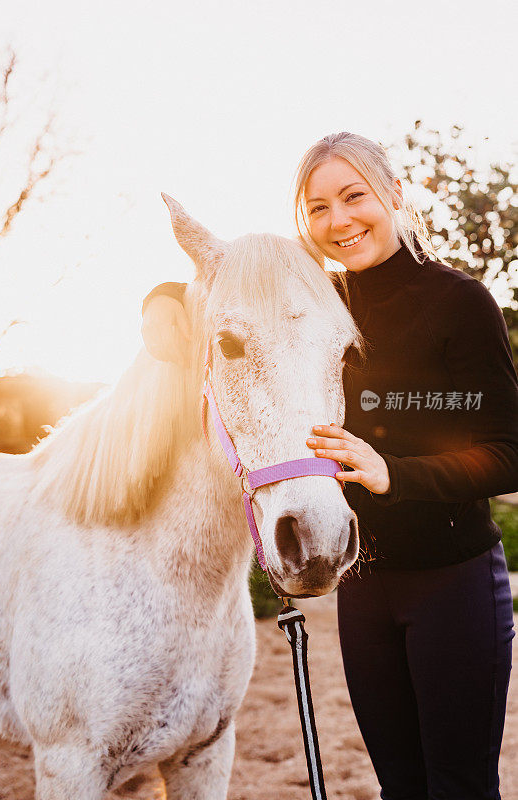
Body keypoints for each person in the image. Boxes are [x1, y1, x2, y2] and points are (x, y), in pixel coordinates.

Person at [141, 132, 518, 800]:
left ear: (393, 195)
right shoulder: (318, 299)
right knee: (397, 783)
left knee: (458, 785)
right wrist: (162, 302)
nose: (338, 221)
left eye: (353, 197)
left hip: (452, 585)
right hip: (364, 586)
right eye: (317, 209)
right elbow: (226, 290)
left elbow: (506, 452)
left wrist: (394, 472)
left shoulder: (460, 303)